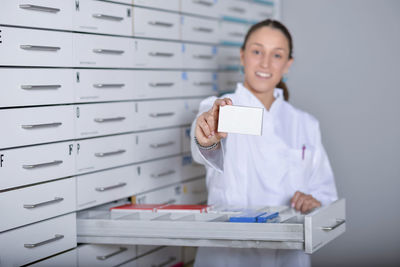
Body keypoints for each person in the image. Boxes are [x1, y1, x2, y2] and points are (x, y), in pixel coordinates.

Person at [190, 19, 338, 267]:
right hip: (227, 256)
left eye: (277, 55)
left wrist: (315, 204)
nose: (265, 63)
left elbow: (326, 195)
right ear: (242, 56)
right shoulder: (221, 108)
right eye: (257, 51)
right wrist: (207, 138)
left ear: (288, 65)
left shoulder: (305, 124)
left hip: (287, 256)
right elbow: (203, 147)